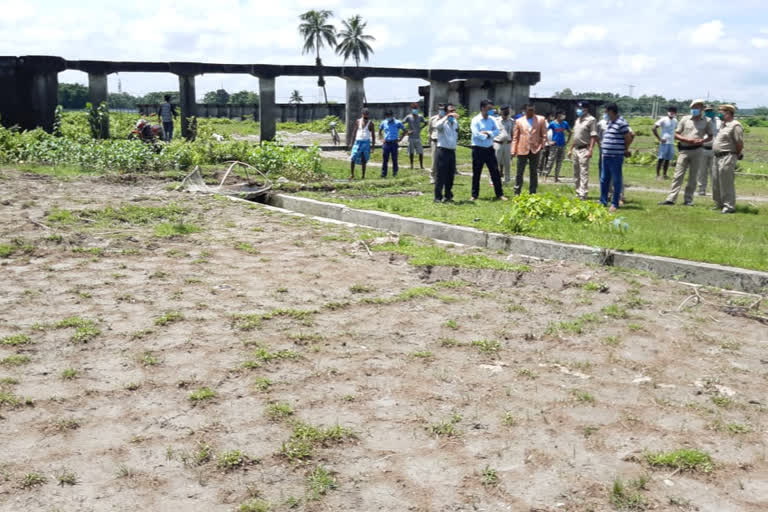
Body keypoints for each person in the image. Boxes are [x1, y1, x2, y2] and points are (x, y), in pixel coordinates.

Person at [658, 99, 713, 206]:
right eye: (693, 107)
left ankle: (688, 200)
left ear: (702, 109)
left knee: (693, 177)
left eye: (697, 107)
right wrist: (686, 140)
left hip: (698, 150)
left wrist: (702, 140)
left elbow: (711, 135)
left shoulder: (707, 121)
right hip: (684, 150)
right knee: (678, 175)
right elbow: (676, 134)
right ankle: (671, 199)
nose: (694, 109)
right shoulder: (685, 119)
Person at [470, 99, 508, 201]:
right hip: (478, 149)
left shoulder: (492, 119)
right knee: (477, 173)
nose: (491, 111)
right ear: (483, 108)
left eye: (491, 108)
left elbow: (497, 131)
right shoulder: (475, 120)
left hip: (489, 149)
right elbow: (476, 134)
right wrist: (488, 135)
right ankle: (474, 195)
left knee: (495, 172)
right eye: (489, 108)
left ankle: (499, 194)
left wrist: (488, 133)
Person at [599, 102, 632, 212]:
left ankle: (615, 203)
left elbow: (628, 137)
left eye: (606, 112)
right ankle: (602, 201)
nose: (605, 114)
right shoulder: (610, 122)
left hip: (616, 156)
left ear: (611, 111)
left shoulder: (621, 123)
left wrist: (625, 149)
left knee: (616, 180)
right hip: (606, 155)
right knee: (604, 179)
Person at [711, 104, 743, 214]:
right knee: (716, 181)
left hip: (728, 156)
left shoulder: (735, 125)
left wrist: (736, 155)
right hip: (717, 156)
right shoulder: (723, 125)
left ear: (728, 113)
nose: (719, 113)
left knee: (726, 182)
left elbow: (739, 143)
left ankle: (729, 206)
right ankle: (719, 203)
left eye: (721, 111)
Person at [511, 103, 548, 195]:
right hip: (522, 148)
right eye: (529, 110)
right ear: (525, 111)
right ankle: (517, 192)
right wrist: (513, 150)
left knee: (533, 172)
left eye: (533, 110)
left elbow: (544, 135)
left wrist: (543, 146)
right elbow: (515, 137)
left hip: (535, 149)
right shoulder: (519, 121)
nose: (531, 112)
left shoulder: (541, 119)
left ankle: (533, 192)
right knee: (519, 172)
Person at [568, 102, 598, 200]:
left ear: (586, 109)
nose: (578, 110)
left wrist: (591, 150)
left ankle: (583, 193)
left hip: (584, 149)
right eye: (578, 108)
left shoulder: (591, 120)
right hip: (576, 149)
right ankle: (577, 192)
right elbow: (575, 136)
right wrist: (570, 149)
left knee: (583, 172)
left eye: (580, 108)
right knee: (576, 172)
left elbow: (593, 136)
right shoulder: (577, 120)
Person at [434, 103, 460, 203]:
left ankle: (448, 195)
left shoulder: (455, 122)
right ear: (446, 112)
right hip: (442, 151)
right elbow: (437, 126)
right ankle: (437, 197)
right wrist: (446, 117)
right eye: (450, 111)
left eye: (454, 111)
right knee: (441, 175)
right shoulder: (442, 122)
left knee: (450, 175)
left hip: (451, 151)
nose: (453, 113)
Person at [699, 104, 721, 196]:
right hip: (702, 148)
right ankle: (701, 190)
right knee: (702, 171)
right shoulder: (701, 120)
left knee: (714, 172)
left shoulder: (719, 121)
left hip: (714, 150)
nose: (709, 112)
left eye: (710, 110)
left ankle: (715, 191)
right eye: (707, 110)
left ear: (713, 111)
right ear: (704, 111)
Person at [544, 111, 572, 181]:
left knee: (559, 161)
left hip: (562, 145)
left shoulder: (565, 123)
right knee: (550, 161)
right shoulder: (552, 123)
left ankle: (556, 177)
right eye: (561, 115)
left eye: (563, 115)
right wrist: (548, 141)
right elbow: (545, 132)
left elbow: (570, 132)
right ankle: (545, 176)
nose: (563, 116)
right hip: (554, 145)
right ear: (558, 116)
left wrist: (567, 141)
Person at [652, 106, 677, 180]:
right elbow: (653, 128)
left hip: (671, 142)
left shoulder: (675, 121)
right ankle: (657, 175)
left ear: (675, 113)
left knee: (668, 159)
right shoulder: (663, 119)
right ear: (668, 112)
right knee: (661, 158)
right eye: (670, 111)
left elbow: (676, 130)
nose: (671, 112)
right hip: (664, 142)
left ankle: (665, 174)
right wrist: (660, 139)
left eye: (673, 111)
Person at [349, 108, 375, 180]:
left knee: (364, 159)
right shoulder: (358, 121)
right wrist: (351, 143)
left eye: (367, 114)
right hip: (358, 141)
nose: (366, 115)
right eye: (364, 113)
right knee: (353, 157)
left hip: (366, 142)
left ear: (368, 114)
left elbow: (373, 135)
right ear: (362, 114)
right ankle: (352, 174)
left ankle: (363, 175)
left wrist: (372, 146)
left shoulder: (371, 123)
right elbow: (354, 132)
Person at [379, 109, 406, 178]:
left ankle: (395, 173)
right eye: (387, 116)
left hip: (394, 143)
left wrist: (400, 138)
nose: (388, 117)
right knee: (385, 159)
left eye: (389, 115)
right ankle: (383, 173)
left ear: (392, 115)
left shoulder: (398, 122)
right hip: (386, 143)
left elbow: (405, 130)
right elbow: (380, 131)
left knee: (394, 159)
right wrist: (381, 139)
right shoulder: (384, 122)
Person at [493, 105, 514, 185]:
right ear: (500, 112)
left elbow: (512, 133)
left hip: (508, 144)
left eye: (507, 111)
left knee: (507, 163)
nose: (506, 113)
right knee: (495, 163)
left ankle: (507, 180)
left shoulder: (511, 121)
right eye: (504, 111)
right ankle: (493, 180)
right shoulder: (495, 120)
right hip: (498, 144)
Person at [403, 103, 427, 170]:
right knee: (411, 152)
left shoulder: (420, 116)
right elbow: (402, 123)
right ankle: (411, 165)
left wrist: (421, 128)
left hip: (418, 137)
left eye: (416, 109)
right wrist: (407, 131)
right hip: (411, 137)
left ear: (417, 109)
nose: (415, 110)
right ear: (411, 109)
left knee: (421, 152)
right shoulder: (408, 117)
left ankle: (421, 166)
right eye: (414, 109)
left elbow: (426, 122)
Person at [428, 105, 445, 184]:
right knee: (434, 160)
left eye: (443, 110)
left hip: (444, 142)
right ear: (438, 110)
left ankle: (441, 177)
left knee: (443, 161)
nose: (442, 111)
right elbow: (430, 130)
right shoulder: (433, 119)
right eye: (440, 109)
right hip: (435, 141)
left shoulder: (446, 119)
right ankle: (432, 177)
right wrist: (430, 140)